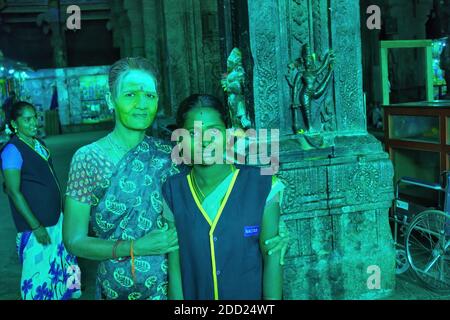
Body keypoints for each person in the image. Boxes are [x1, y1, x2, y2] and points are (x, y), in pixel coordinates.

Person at [63, 57, 180, 300]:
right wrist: (136, 248)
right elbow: (74, 240)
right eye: (130, 95)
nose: (141, 104)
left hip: (171, 286)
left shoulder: (169, 155)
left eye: (150, 95)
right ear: (110, 100)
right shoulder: (88, 159)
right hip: (115, 286)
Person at [163, 94, 284, 300]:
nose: (205, 141)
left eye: (214, 131)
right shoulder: (173, 190)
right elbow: (175, 266)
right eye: (193, 133)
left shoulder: (263, 184)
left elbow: (272, 256)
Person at [0, 101, 81, 300]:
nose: (34, 123)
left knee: (61, 265)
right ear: (14, 123)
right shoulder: (12, 150)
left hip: (56, 218)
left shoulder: (39, 144)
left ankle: (66, 293)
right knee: (38, 275)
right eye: (27, 119)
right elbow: (13, 191)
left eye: (35, 117)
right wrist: (36, 226)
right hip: (36, 225)